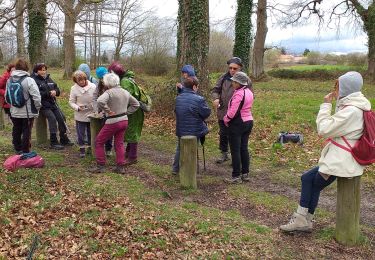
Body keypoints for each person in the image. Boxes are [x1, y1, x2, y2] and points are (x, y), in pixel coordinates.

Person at [280, 71, 371, 232]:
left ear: (346, 89)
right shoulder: (356, 104)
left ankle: (302, 219)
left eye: (338, 88)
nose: (336, 91)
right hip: (340, 158)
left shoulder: (352, 111)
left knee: (309, 181)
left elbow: (324, 128)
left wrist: (326, 105)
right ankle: (305, 219)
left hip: (340, 161)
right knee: (309, 180)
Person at [90, 72, 140, 174]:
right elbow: (136, 104)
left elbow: (99, 101)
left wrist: (107, 111)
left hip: (113, 121)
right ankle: (120, 166)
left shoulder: (109, 92)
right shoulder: (125, 92)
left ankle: (101, 165)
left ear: (108, 83)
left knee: (98, 142)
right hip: (124, 120)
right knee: (119, 143)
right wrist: (126, 112)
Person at [211, 57, 252, 164]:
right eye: (230, 68)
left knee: (235, 137)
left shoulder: (246, 80)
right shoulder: (223, 78)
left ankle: (237, 159)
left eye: (235, 68)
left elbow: (250, 95)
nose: (232, 70)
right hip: (223, 111)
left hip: (237, 115)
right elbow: (215, 90)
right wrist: (215, 98)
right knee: (223, 134)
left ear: (240, 68)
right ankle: (224, 154)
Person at [172, 76, 211, 174]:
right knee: (193, 149)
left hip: (181, 129)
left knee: (179, 148)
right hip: (195, 130)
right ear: (194, 87)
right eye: (197, 86)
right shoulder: (199, 99)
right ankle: (190, 171)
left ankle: (175, 169)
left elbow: (176, 111)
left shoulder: (178, 98)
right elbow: (206, 113)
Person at [108, 61, 143, 166]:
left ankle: (133, 157)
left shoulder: (125, 82)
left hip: (133, 109)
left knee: (132, 132)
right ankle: (128, 153)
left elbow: (125, 98)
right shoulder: (127, 79)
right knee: (130, 131)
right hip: (133, 108)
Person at [32, 63, 73, 149]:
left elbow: (57, 88)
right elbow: (36, 94)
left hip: (53, 104)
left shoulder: (48, 78)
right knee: (52, 119)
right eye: (41, 70)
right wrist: (48, 93)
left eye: (44, 70)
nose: (43, 72)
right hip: (42, 105)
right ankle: (53, 142)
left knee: (62, 117)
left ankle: (63, 138)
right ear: (36, 71)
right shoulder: (33, 80)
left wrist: (55, 92)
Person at [223, 72, 254, 184]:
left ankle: (236, 176)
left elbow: (232, 112)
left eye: (234, 81)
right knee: (244, 148)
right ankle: (245, 174)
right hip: (249, 121)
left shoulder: (239, 94)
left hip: (238, 123)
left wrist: (226, 119)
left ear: (239, 83)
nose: (232, 83)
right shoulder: (249, 92)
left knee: (235, 150)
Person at [9, 58, 41, 154]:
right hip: (27, 112)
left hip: (14, 111)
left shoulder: (10, 80)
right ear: (26, 68)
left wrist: (13, 106)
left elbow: (7, 96)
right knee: (27, 131)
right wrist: (37, 108)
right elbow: (36, 96)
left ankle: (17, 148)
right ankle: (25, 151)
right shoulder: (29, 80)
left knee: (16, 129)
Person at [69, 70, 96, 157]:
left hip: (91, 113)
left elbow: (96, 99)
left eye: (83, 80)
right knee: (81, 133)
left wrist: (93, 105)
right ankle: (82, 150)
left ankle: (91, 148)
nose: (81, 82)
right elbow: (71, 102)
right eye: (79, 80)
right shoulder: (74, 89)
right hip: (80, 115)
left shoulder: (93, 86)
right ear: (76, 81)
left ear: (85, 78)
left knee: (91, 132)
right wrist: (77, 107)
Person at [94, 66, 113, 156]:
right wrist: (96, 110)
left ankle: (108, 149)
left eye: (104, 77)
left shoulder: (113, 85)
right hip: (102, 112)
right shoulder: (99, 86)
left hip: (112, 112)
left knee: (110, 131)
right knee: (102, 130)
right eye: (101, 78)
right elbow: (95, 98)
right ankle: (100, 149)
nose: (103, 80)